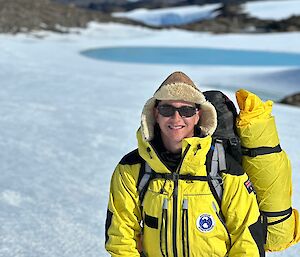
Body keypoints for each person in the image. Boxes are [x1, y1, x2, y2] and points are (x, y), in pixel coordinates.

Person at [105, 71, 265, 257]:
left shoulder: (223, 168)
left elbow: (246, 240)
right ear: (155, 114)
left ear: (198, 116)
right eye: (167, 109)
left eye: (186, 110)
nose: (176, 118)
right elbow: (121, 236)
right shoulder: (132, 168)